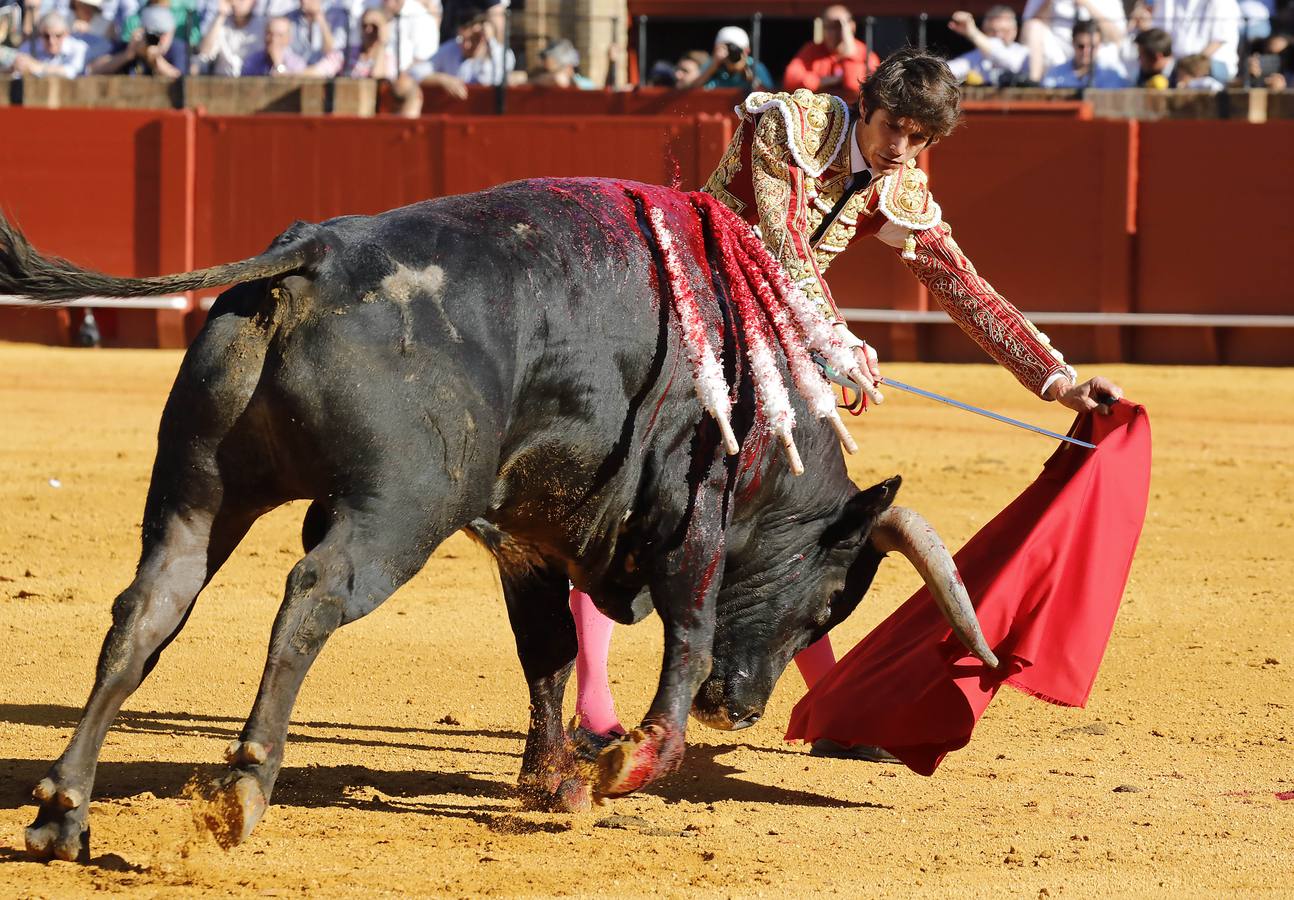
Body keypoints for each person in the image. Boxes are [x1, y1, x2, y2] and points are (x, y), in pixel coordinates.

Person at [569, 49, 1124, 748]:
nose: (901, 148)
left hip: (776, 349)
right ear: (867, 105)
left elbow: (961, 285)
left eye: (920, 138)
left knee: (798, 523)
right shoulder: (791, 126)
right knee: (632, 509)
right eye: (894, 126)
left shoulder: (901, 190)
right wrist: (832, 342)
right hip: (684, 314)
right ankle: (593, 704)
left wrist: (1057, 379)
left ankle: (828, 704)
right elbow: (778, 245)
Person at [783, 3, 880, 102]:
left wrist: (849, 52)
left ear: (852, 26)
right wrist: (820, 82)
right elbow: (790, 80)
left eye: (838, 26)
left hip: (853, 112)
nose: (833, 32)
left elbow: (855, 88)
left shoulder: (866, 55)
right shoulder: (812, 50)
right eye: (828, 26)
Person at [1021, 0, 1126, 82]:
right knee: (1034, 26)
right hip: (1056, 57)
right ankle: (1033, 85)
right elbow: (1027, 30)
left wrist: (1086, 3)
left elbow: (1117, 37)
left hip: (1094, 55)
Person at [1151, 0, 1242, 82]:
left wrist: (1190, 67)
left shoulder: (1223, 2)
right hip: (1177, 67)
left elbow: (1218, 41)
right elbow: (1160, 36)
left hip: (1213, 68)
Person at [947, 6, 1030, 85]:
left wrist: (973, 33)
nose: (998, 36)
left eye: (1004, 30)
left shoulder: (1023, 52)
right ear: (984, 31)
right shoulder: (976, 55)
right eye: (992, 31)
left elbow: (1010, 63)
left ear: (1015, 31)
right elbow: (950, 70)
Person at [682, 25, 773, 91]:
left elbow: (769, 98)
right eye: (726, 49)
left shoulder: (755, 67)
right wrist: (713, 66)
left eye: (735, 50)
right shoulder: (711, 65)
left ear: (746, 51)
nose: (730, 54)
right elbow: (690, 90)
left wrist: (747, 74)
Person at [1040, 19, 1129, 86]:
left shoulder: (1113, 73)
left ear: (1099, 46)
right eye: (1081, 46)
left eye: (1092, 46)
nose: (1086, 51)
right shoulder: (1055, 74)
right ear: (1073, 44)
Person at [7, 10, 87, 75]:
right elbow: (15, 73)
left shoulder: (79, 47)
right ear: (40, 33)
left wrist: (38, 67)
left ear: (66, 33)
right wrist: (15, 68)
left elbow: (74, 72)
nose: (52, 41)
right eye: (46, 36)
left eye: (58, 35)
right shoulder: (28, 47)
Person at [197, 0, 263, 75]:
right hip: (222, 81)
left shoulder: (263, 27)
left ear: (254, 3)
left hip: (255, 81)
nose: (235, 3)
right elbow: (204, 53)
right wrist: (221, 15)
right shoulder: (221, 23)